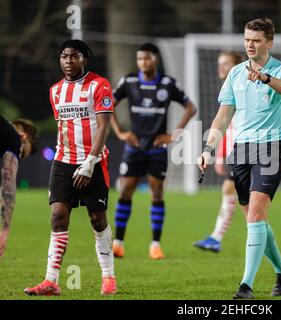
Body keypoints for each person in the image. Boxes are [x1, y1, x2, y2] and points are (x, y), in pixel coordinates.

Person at [197, 18, 281, 299]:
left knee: (256, 214)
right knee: (255, 221)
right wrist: (208, 149)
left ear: (269, 42)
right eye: (246, 40)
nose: (250, 45)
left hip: (272, 146)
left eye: (256, 40)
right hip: (241, 149)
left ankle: (246, 286)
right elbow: (223, 115)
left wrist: (266, 78)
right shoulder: (235, 73)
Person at [25, 40, 117, 296]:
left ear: (84, 59)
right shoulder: (55, 91)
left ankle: (108, 277)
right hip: (63, 161)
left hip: (94, 162)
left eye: (74, 56)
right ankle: (51, 280)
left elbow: (104, 127)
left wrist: (90, 162)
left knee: (97, 219)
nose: (68, 60)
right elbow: (65, 127)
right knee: (57, 216)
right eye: (64, 56)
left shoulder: (100, 85)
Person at [111, 43, 196, 260]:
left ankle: (155, 245)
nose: (143, 62)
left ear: (155, 59)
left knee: (157, 193)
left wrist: (174, 135)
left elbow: (190, 108)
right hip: (134, 147)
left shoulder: (167, 84)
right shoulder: (129, 81)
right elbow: (106, 105)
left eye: (146, 58)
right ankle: (118, 243)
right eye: (139, 59)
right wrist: (120, 132)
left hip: (157, 148)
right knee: (125, 191)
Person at [194, 51, 243, 253]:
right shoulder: (230, 88)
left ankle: (217, 237)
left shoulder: (241, 86)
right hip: (236, 150)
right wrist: (221, 153)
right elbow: (226, 125)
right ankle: (216, 237)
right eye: (219, 63)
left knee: (243, 199)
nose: (221, 68)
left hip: (248, 149)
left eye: (226, 64)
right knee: (239, 196)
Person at [0, 116, 38, 257]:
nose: (19, 154)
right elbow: (7, 186)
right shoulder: (13, 140)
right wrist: (5, 231)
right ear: (24, 137)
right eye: (22, 152)